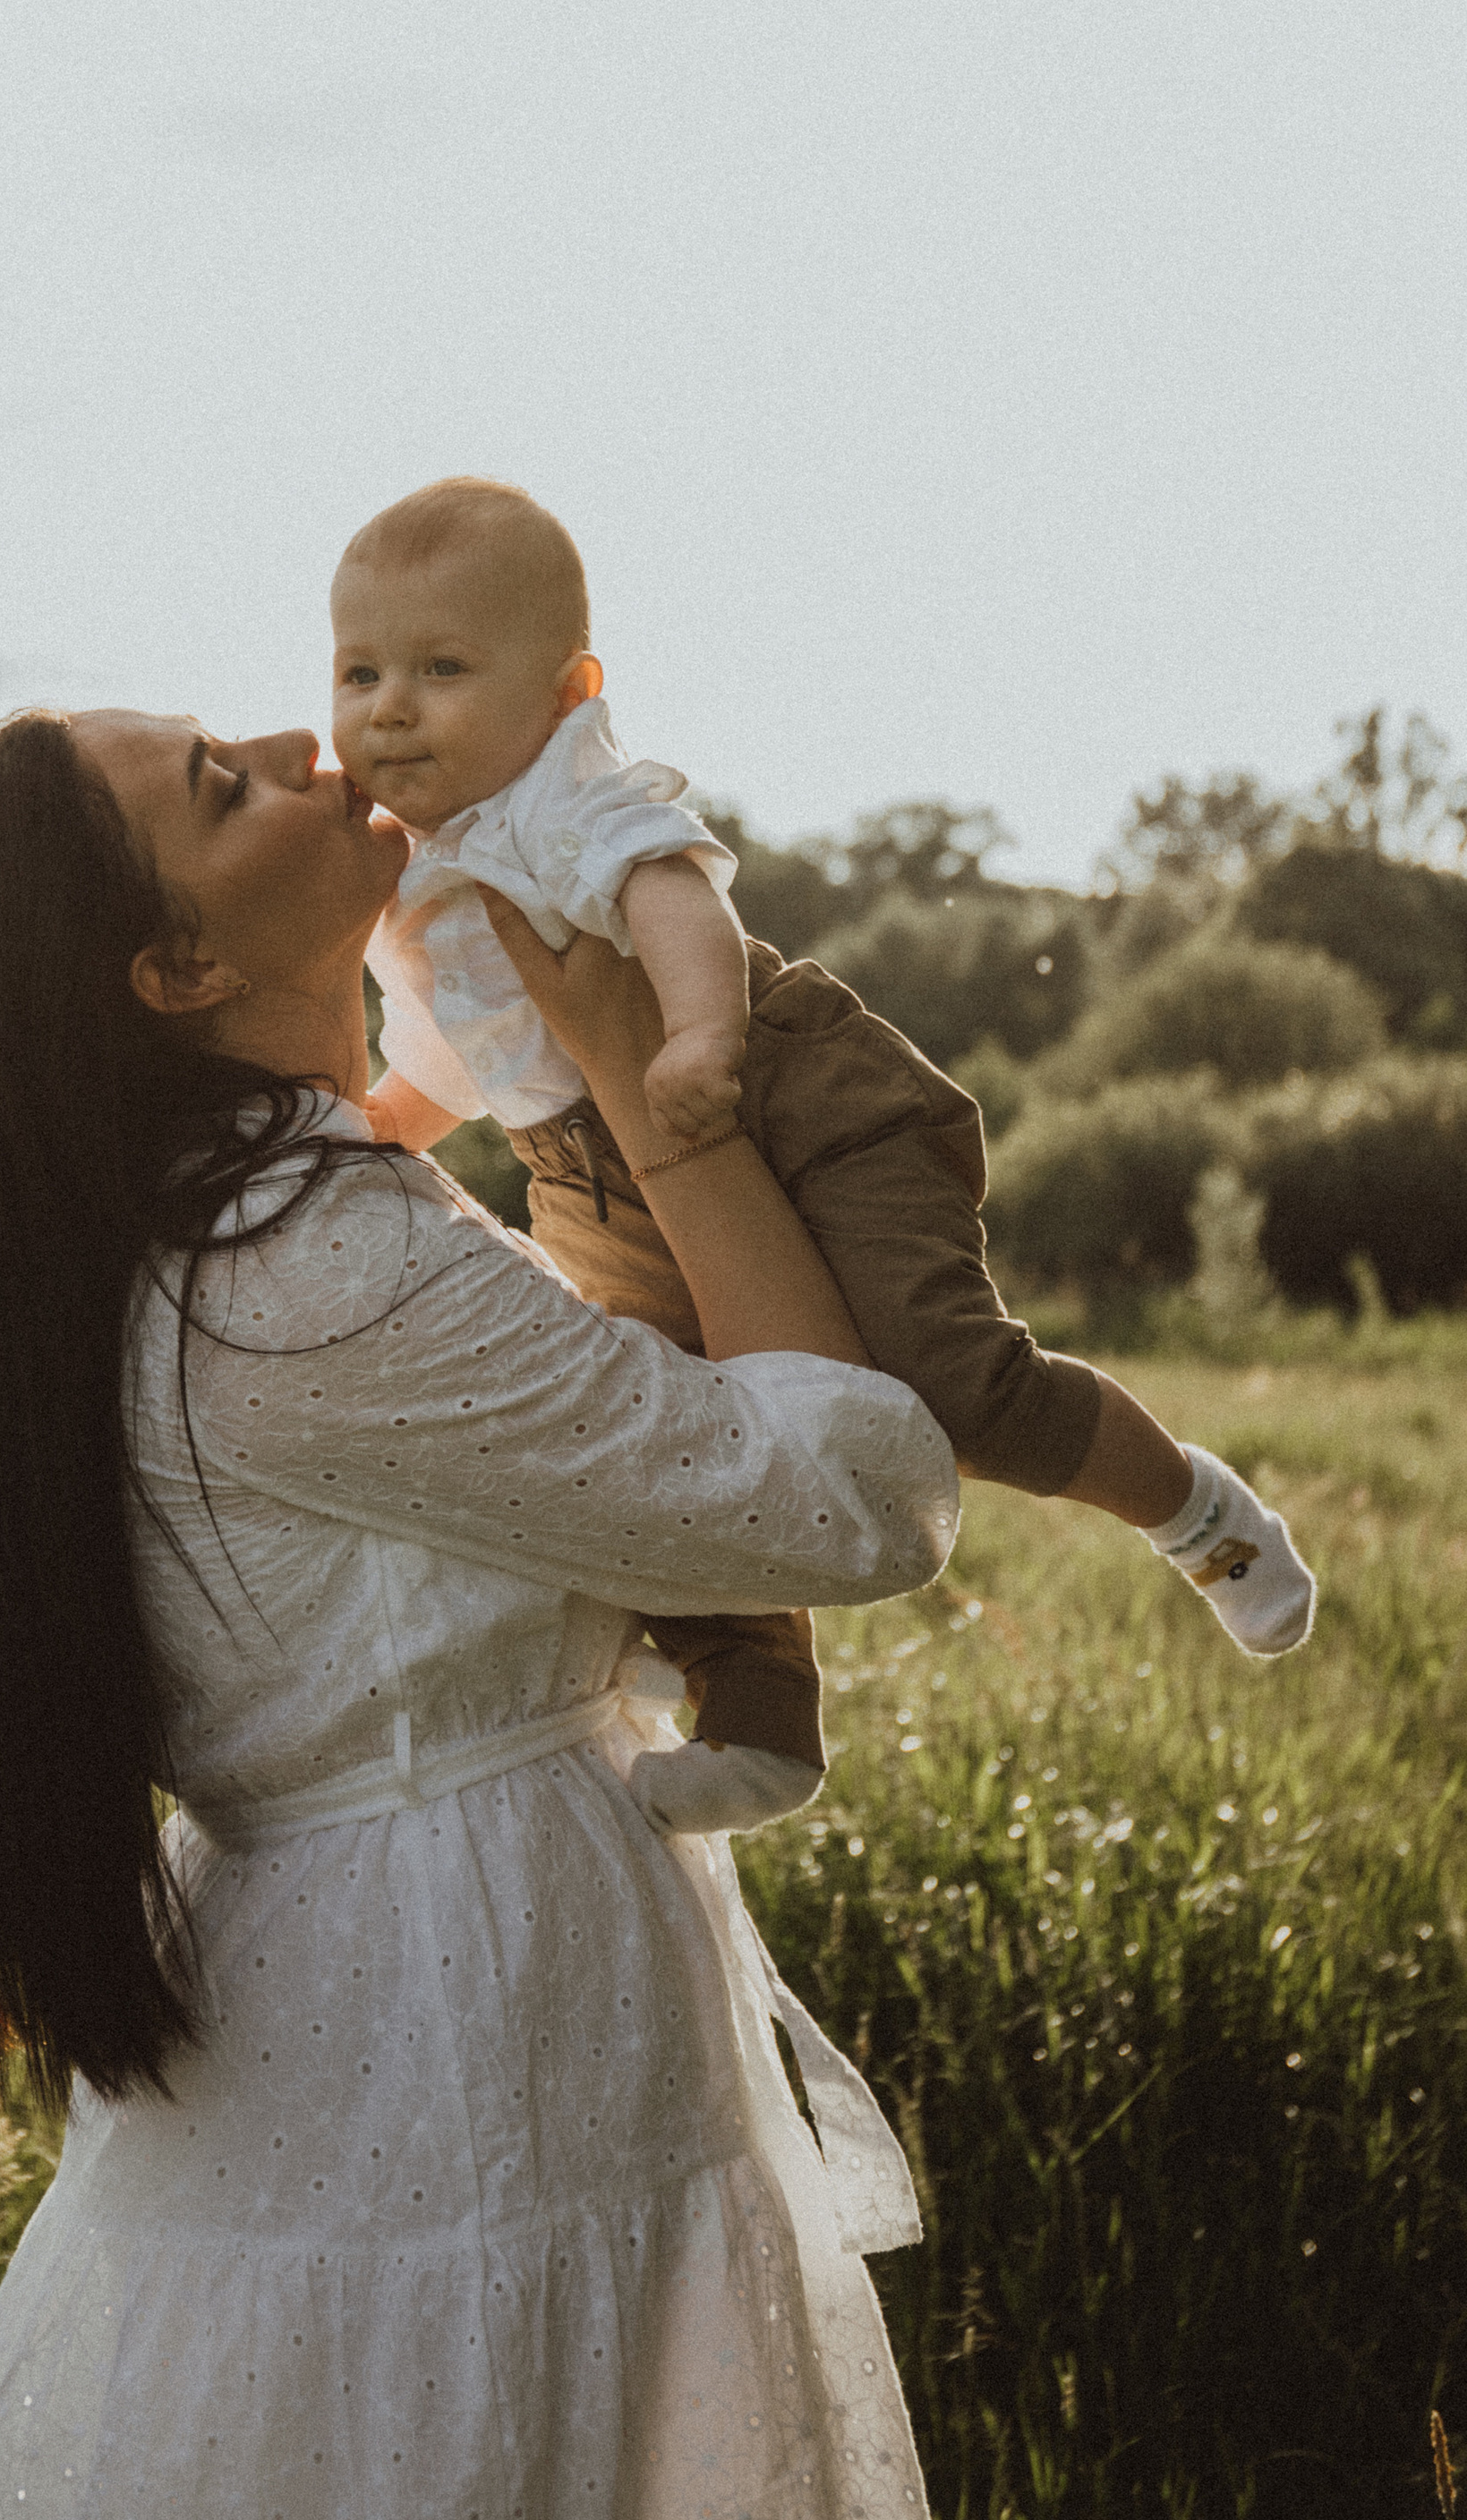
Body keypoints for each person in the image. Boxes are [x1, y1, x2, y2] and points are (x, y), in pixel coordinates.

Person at [0, 705, 962, 2520]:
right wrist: (636, 1072)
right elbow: (848, 1501)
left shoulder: (226, 1221)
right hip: (455, 1999)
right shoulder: (301, 1271)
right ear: (177, 965)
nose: (291, 738)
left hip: (364, 1957)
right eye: (220, 787)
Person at [339, 476, 1316, 1839]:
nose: (390, 707)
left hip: (777, 1087)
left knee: (943, 1378)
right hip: (583, 1163)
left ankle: (1196, 1512)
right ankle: (761, 1718)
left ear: (567, 692)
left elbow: (672, 893)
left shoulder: (569, 793)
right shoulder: (410, 871)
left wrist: (696, 1036)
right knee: (679, 1433)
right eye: (362, 670)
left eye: (443, 669)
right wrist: (390, 1116)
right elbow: (466, 1050)